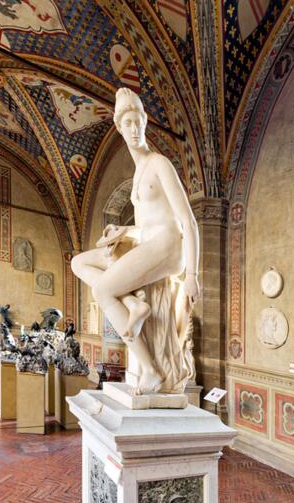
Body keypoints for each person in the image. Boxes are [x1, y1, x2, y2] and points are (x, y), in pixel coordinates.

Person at [71, 87, 200, 395]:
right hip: (148, 245)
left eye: (137, 122)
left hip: (168, 249)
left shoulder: (158, 164)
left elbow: (188, 221)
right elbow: (145, 228)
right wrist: (122, 232)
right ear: (118, 127)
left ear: (144, 123)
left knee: (103, 289)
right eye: (126, 123)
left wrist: (193, 274)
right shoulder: (139, 172)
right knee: (79, 262)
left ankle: (152, 371)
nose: (133, 129)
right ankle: (131, 304)